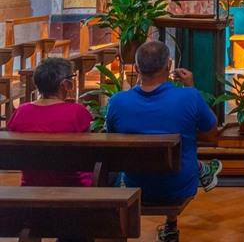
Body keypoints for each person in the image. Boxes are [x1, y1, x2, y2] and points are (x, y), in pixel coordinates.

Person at [106, 40, 221, 242]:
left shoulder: (117, 102)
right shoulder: (189, 97)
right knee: (181, 148)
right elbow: (211, 136)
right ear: (169, 66)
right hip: (178, 185)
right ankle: (199, 170)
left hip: (136, 183)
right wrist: (190, 88)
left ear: (137, 68)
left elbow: (114, 140)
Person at [8, 57, 93, 189]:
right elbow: (88, 154)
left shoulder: (21, 112)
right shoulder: (77, 112)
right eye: (72, 78)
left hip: (30, 186)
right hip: (73, 186)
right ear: (64, 84)